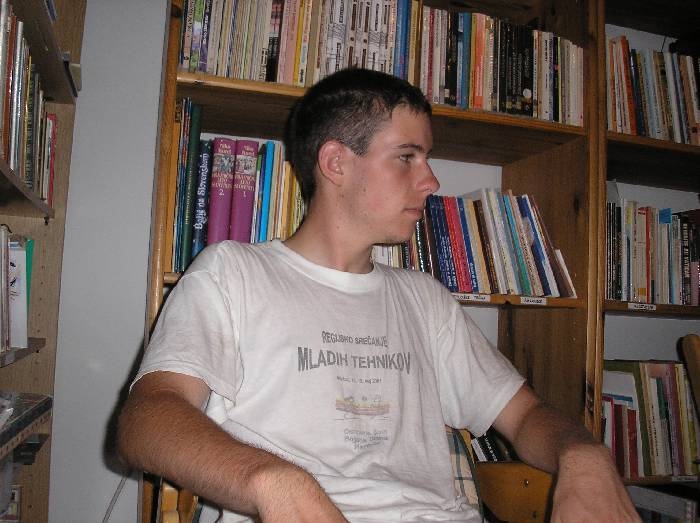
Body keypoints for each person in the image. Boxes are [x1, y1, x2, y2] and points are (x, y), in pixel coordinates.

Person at [117, 68, 640, 523]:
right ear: (336, 163)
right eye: (407, 157)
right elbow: (146, 418)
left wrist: (584, 454)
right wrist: (275, 482)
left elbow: (525, 416)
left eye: (426, 158)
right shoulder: (233, 273)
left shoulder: (425, 299)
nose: (431, 180)